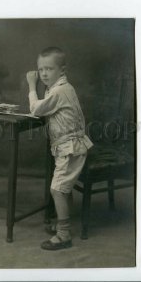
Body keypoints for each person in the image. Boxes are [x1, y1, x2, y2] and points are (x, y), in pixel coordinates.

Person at [26, 47, 93, 250]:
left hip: (70, 149)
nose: (44, 74)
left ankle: (64, 235)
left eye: (49, 69)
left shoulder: (60, 90)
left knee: (57, 190)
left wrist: (31, 85)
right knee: (64, 189)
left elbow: (36, 109)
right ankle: (63, 225)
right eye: (41, 69)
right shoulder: (57, 88)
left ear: (62, 70)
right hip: (67, 147)